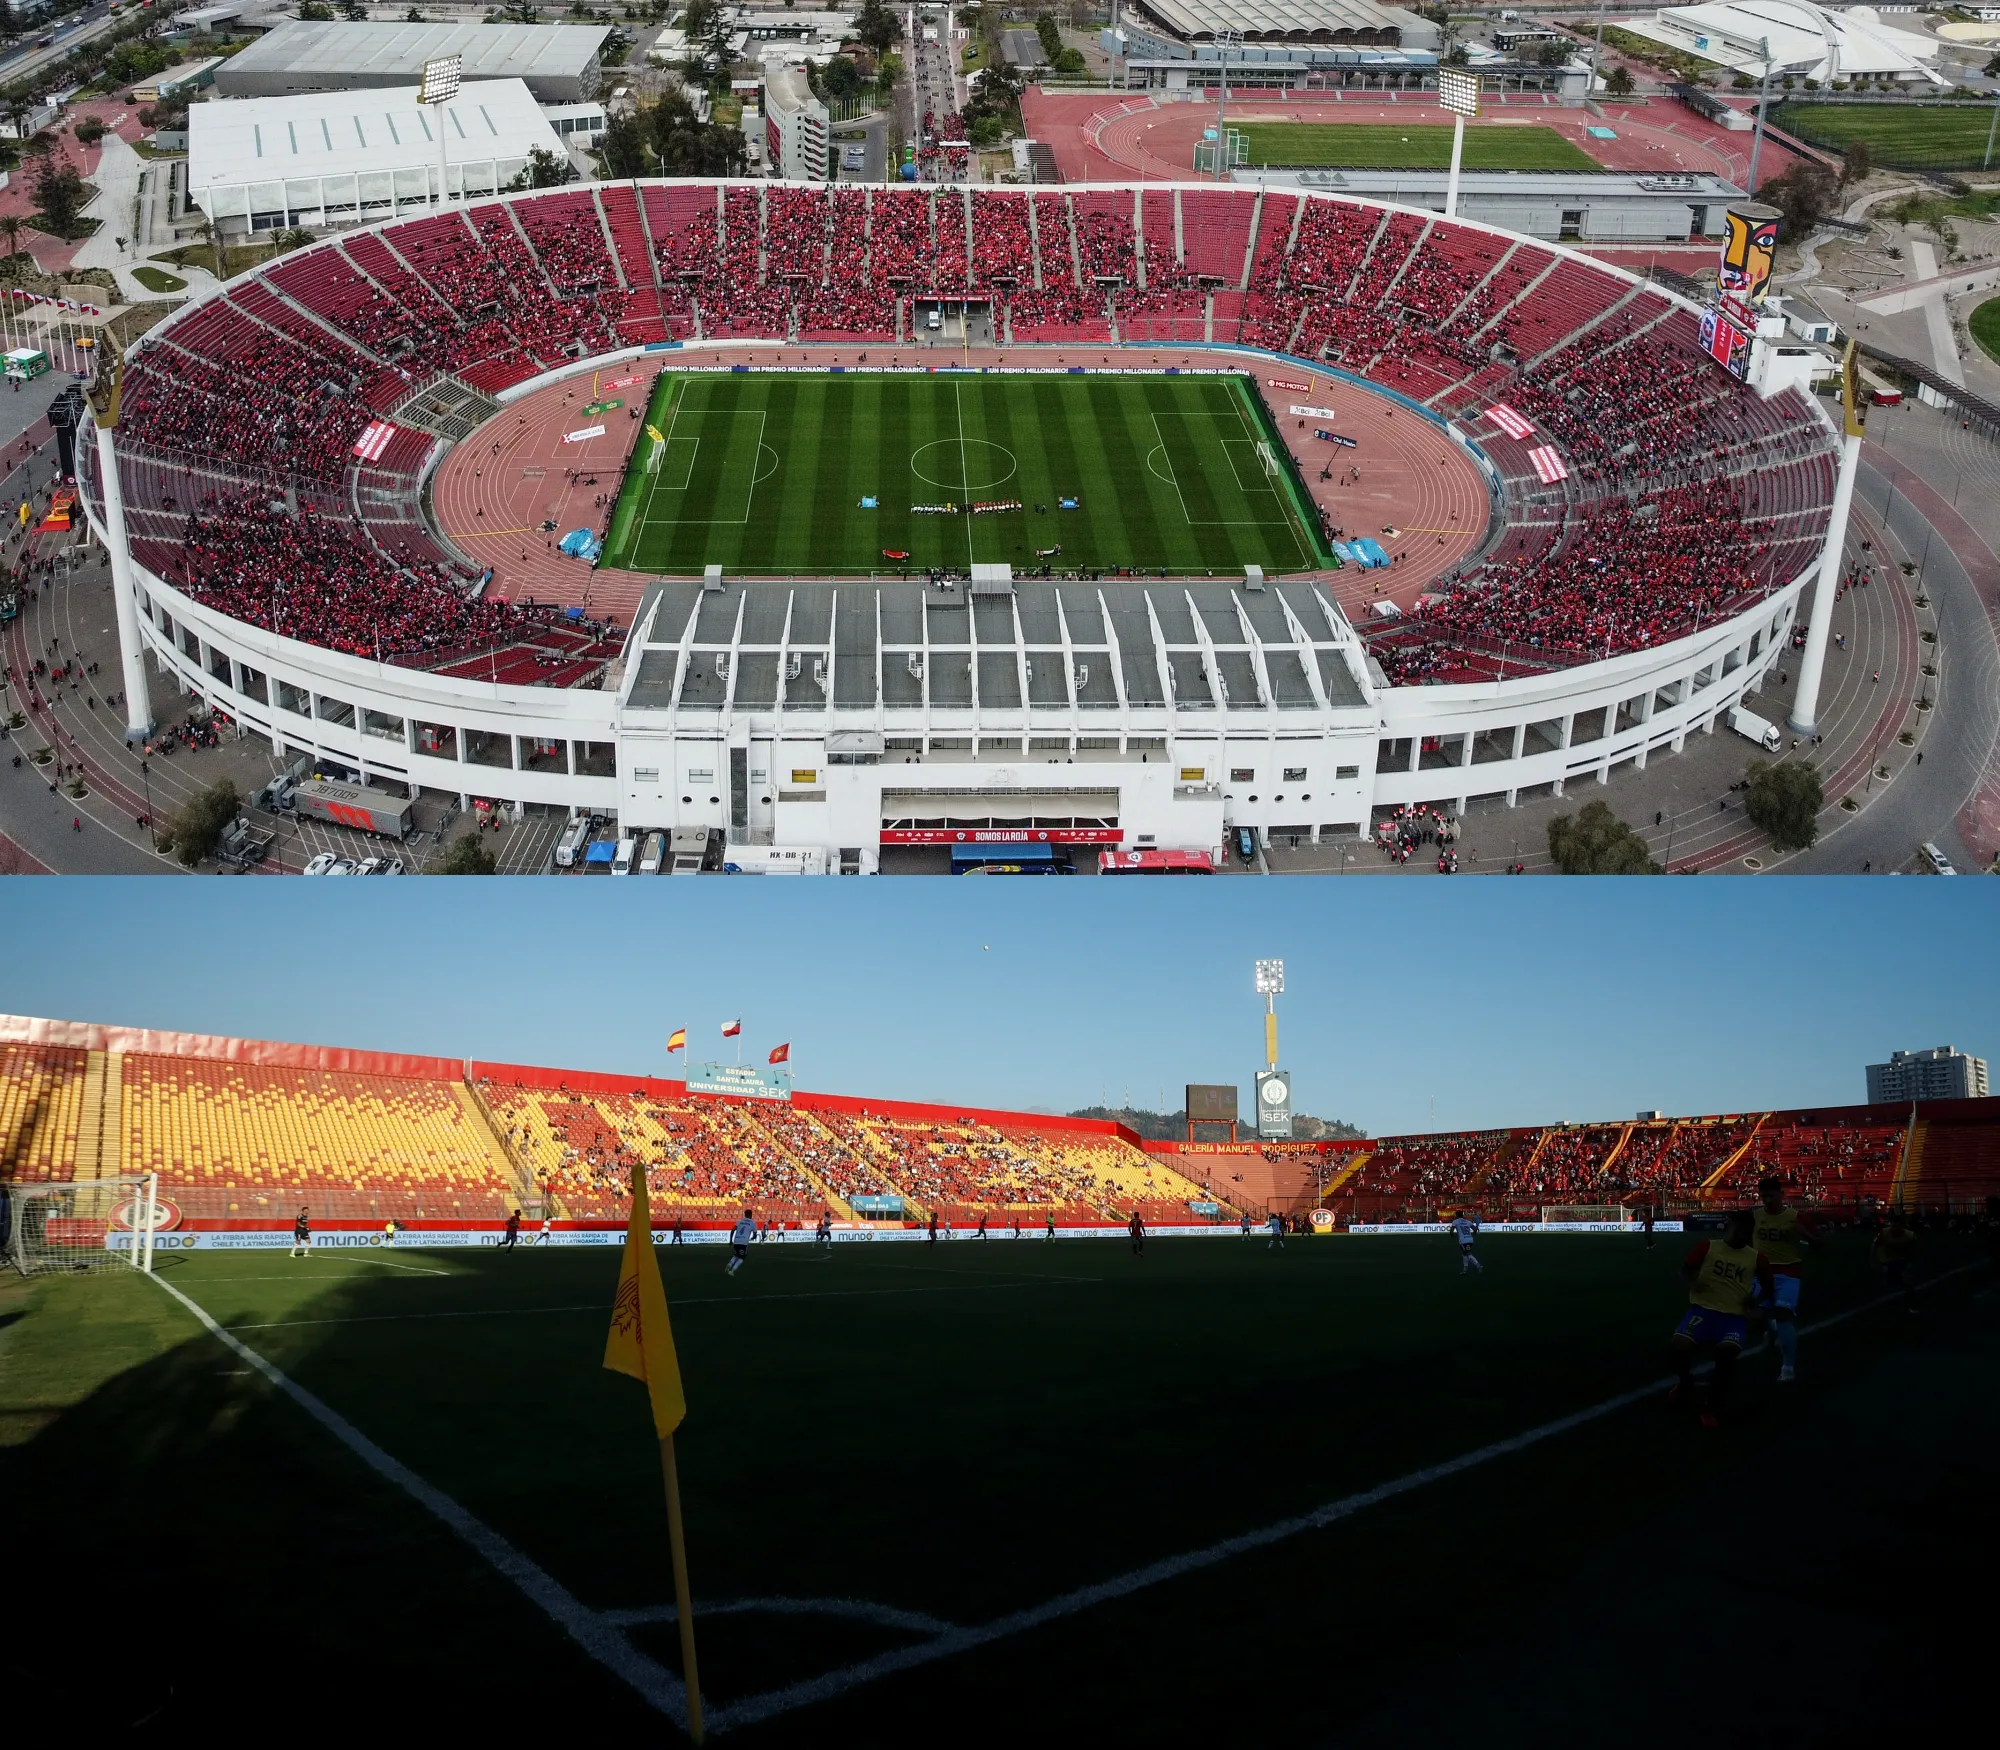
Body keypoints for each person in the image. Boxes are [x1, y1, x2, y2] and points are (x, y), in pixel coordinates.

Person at [1670, 1208, 1773, 1427]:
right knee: (1678, 1345)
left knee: (1727, 1354)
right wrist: (1692, 1283)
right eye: (1740, 1228)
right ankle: (1686, 1382)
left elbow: (1769, 1287)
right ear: (1731, 1226)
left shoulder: (1756, 1258)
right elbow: (1684, 1270)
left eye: (1748, 1230)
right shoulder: (1708, 1246)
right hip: (1701, 1311)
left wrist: (1757, 1304)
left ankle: (1710, 1406)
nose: (1743, 1234)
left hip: (1733, 1317)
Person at [1751, 1175, 1820, 1382]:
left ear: (1782, 1195)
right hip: (1760, 1272)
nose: (1768, 1201)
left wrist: (1805, 1236)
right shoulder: (1755, 1216)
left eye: (1771, 1196)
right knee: (1754, 1317)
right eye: (1764, 1197)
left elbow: (1821, 1245)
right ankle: (1771, 1329)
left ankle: (1788, 1367)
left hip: (1788, 1273)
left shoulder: (1796, 1216)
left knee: (1783, 1314)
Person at [1873, 1208, 1919, 1312]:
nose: (1894, 1227)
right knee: (1890, 1282)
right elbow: (1874, 1246)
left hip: (1903, 1261)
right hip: (1890, 1261)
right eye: (1892, 1225)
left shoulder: (1908, 1235)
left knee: (1907, 1283)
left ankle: (1911, 1304)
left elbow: (1915, 1248)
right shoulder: (1884, 1233)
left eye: (1896, 1225)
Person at [726, 1206, 757, 1276]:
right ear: (751, 1215)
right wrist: (751, 1238)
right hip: (744, 1242)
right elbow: (755, 1235)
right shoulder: (753, 1223)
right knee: (742, 1257)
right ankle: (732, 1271)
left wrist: (731, 1240)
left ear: (745, 1215)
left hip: (736, 1241)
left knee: (736, 1255)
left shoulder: (740, 1221)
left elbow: (733, 1230)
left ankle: (729, 1264)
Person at [1451, 1209, 1482, 1274]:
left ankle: (1478, 1265)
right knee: (1464, 1254)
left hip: (1463, 1241)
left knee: (1468, 1254)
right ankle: (1465, 1270)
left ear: (1457, 1215)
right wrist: (1473, 1234)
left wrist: (1452, 1236)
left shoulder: (1455, 1221)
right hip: (1470, 1240)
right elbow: (1475, 1229)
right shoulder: (1468, 1221)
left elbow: (1451, 1231)